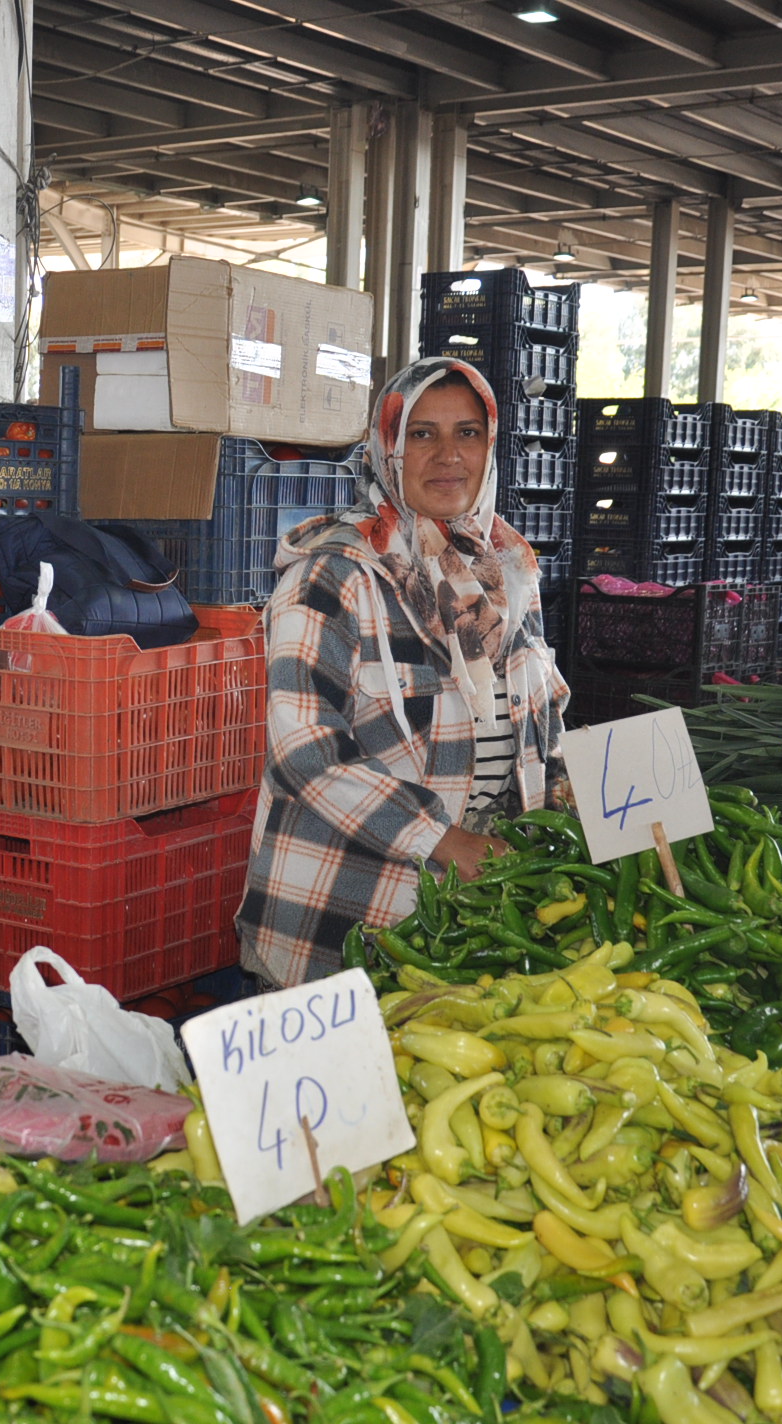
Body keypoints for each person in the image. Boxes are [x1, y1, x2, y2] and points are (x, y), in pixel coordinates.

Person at [236, 357, 571, 988]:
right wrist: (442, 840)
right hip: (345, 917)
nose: (449, 455)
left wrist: (579, 800)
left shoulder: (508, 571)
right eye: (422, 434)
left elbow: (544, 717)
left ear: (490, 445)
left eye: (468, 432)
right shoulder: (333, 576)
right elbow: (306, 751)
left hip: (472, 918)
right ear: (388, 449)